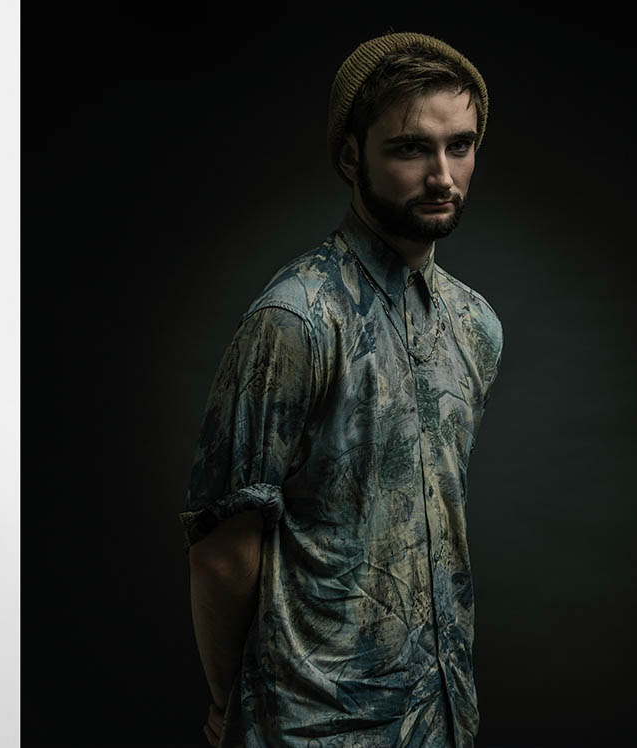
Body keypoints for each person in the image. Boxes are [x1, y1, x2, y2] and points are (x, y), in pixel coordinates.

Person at [180, 32, 503, 747]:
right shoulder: (295, 319)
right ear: (352, 156)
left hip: (440, 715)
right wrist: (224, 702)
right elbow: (223, 549)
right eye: (410, 148)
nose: (443, 175)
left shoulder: (475, 324)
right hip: (313, 725)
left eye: (460, 145)